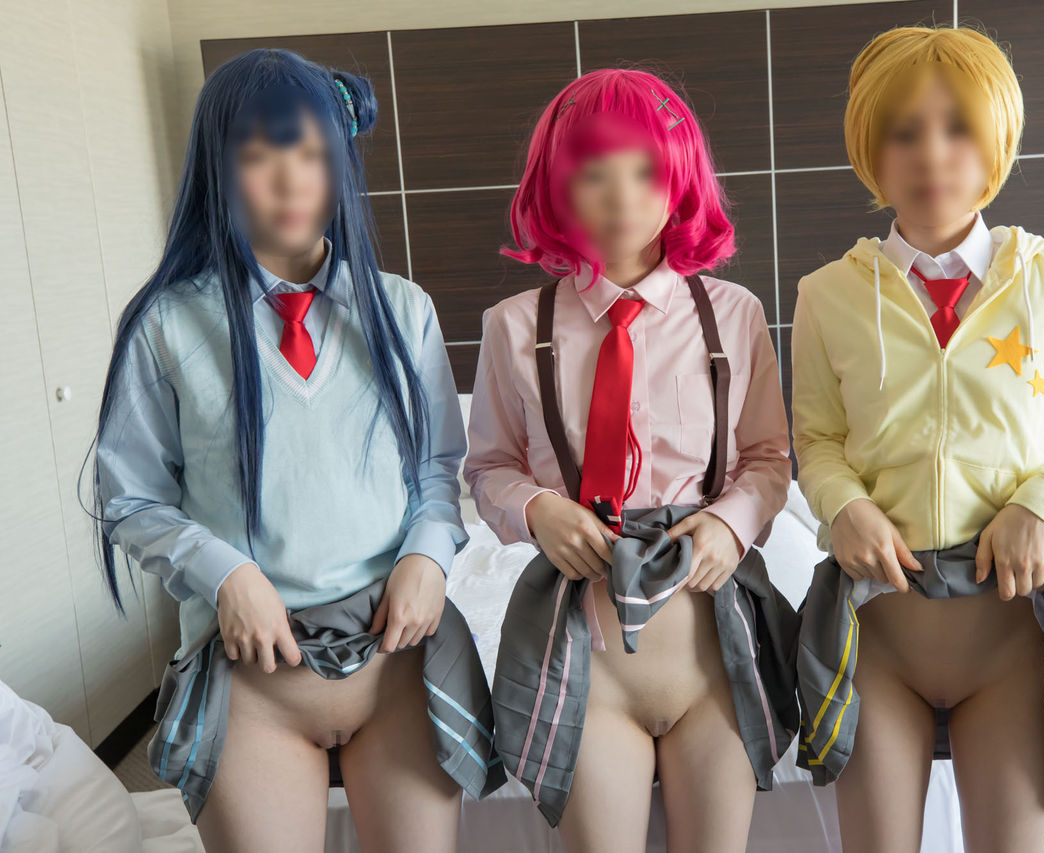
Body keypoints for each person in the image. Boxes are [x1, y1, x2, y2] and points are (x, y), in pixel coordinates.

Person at [90, 48, 503, 852]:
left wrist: (428, 554)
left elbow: (434, 469)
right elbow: (130, 496)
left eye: (312, 154)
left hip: (395, 659)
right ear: (217, 169)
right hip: (254, 673)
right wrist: (226, 574)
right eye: (258, 156)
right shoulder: (167, 324)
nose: (290, 181)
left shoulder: (403, 311)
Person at [790, 25, 1044, 852]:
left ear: (996, 141)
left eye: (957, 129)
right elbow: (816, 437)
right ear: (870, 151)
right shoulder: (826, 294)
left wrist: (1043, 503)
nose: (931, 153)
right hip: (880, 634)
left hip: (1014, 636)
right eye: (903, 132)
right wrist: (842, 506)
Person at [463, 68, 798, 853]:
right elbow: (488, 467)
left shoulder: (734, 315)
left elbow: (768, 456)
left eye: (645, 170)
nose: (622, 194)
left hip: (711, 659)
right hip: (588, 662)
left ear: (681, 180)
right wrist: (537, 509)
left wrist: (732, 523)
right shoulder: (513, 325)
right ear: (556, 186)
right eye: (594, 172)